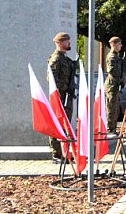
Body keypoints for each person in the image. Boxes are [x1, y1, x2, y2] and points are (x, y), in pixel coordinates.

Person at [48, 32, 75, 162]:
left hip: (67, 96)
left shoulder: (66, 60)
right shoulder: (56, 59)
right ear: (59, 43)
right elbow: (51, 79)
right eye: (66, 41)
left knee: (65, 125)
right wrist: (65, 87)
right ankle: (56, 154)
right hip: (59, 97)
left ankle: (64, 152)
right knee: (57, 124)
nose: (69, 43)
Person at [104, 36, 125, 133]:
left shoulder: (117, 57)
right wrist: (119, 80)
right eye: (119, 44)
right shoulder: (112, 57)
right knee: (111, 108)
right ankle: (110, 128)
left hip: (116, 85)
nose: (121, 46)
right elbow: (112, 71)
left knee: (116, 109)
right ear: (113, 44)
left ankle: (113, 128)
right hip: (112, 85)